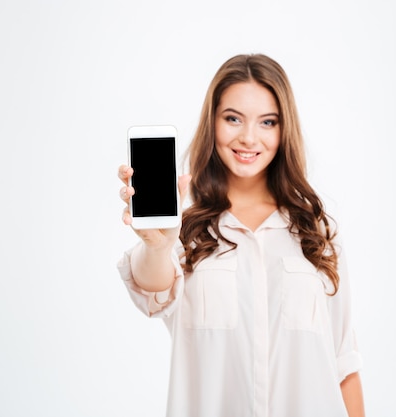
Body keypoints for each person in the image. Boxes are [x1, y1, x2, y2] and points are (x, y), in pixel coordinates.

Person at [117, 53, 365, 417]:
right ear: (212, 122)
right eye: (233, 118)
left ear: (284, 130)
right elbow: (153, 287)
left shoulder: (318, 231)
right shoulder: (186, 230)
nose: (249, 138)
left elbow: (343, 363)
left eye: (267, 122)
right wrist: (158, 244)